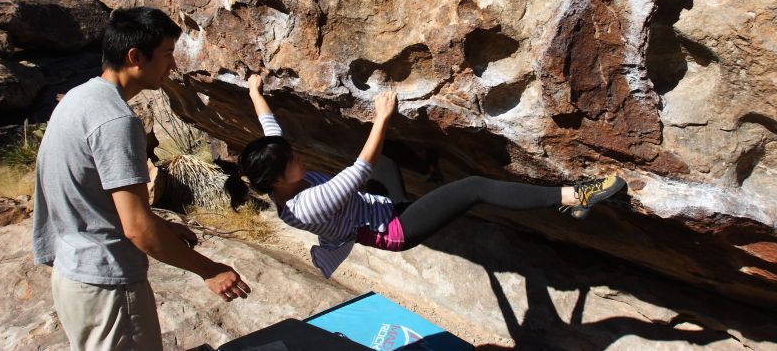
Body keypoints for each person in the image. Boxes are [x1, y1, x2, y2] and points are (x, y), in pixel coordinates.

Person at [225, 73, 626, 279]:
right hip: (395, 228)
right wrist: (381, 118)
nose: (298, 157)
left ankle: (431, 171)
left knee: (388, 158)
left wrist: (254, 91)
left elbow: (271, 132)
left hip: (379, 206)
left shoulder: (279, 176)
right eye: (291, 161)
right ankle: (577, 197)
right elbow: (359, 169)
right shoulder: (308, 205)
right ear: (278, 182)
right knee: (474, 188)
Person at [32, 7, 250, 351]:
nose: (173, 66)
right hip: (108, 287)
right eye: (166, 55)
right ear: (135, 56)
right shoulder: (116, 120)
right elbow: (136, 228)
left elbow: (87, 198)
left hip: (73, 274)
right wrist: (209, 270)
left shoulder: (77, 99)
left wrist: (161, 225)